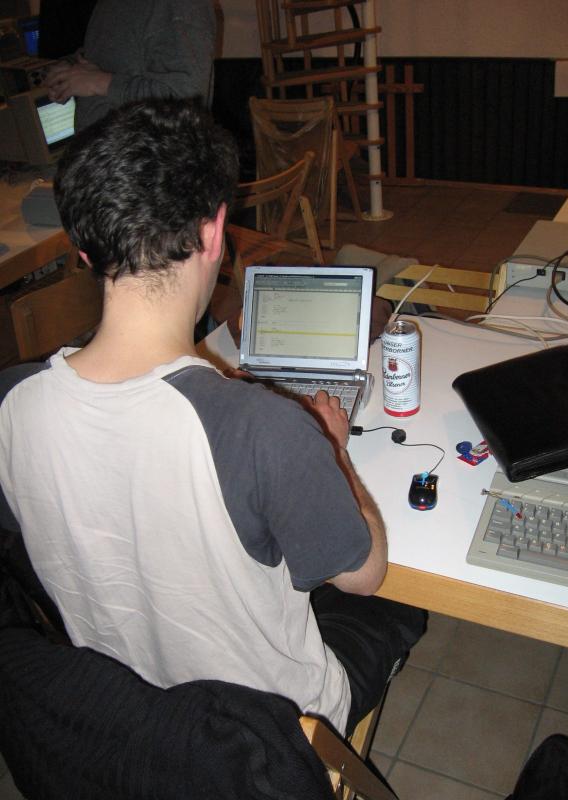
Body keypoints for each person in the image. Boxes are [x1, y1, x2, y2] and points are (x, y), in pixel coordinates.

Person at [0, 97, 426, 736]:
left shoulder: (11, 402)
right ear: (213, 234)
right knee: (399, 606)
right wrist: (331, 449)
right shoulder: (263, 428)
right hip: (267, 736)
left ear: (83, 252)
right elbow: (366, 575)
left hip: (129, 715)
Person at [43, 0, 216, 132]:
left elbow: (184, 101)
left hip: (147, 166)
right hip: (107, 159)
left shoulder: (181, 5)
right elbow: (114, 54)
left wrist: (99, 82)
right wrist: (70, 69)